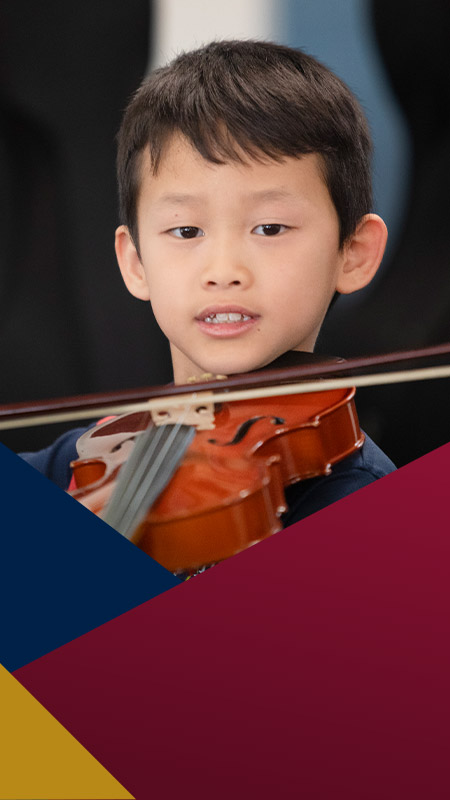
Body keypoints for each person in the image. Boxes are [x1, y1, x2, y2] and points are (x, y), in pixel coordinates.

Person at [20, 39, 395, 529]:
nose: (223, 270)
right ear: (135, 262)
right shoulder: (85, 463)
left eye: (270, 228)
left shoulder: (365, 506)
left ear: (354, 253)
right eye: (186, 231)